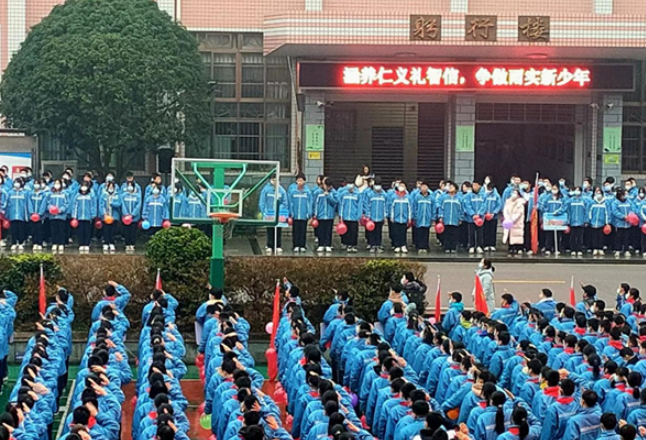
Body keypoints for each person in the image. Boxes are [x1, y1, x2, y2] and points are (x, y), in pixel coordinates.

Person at [259, 176, 288, 254]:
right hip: (269, 213)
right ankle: (269, 245)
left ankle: (278, 245)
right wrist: (264, 212)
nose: (275, 182)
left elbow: (285, 202)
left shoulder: (282, 191)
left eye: (276, 180)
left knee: (278, 229)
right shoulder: (266, 190)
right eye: (273, 180)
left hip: (279, 214)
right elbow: (262, 201)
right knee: (270, 229)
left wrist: (280, 210)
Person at [288, 173, 311, 253]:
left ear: (304, 181)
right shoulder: (293, 191)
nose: (299, 182)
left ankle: (302, 245)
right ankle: (295, 245)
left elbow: (309, 203)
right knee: (295, 230)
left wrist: (309, 213)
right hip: (295, 215)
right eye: (298, 180)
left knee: (303, 230)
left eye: (301, 180)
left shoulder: (307, 191)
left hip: (304, 215)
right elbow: (291, 203)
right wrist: (291, 213)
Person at [72, 182, 98, 253]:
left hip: (88, 216)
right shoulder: (77, 196)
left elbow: (93, 205)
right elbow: (75, 206)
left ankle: (86, 244)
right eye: (82, 186)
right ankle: (81, 243)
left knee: (87, 231)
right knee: (80, 231)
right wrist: (74, 216)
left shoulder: (91, 195)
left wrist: (93, 214)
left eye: (85, 186)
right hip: (79, 217)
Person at [313, 178, 337, 253]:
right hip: (321, 215)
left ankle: (328, 245)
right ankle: (321, 244)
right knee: (321, 230)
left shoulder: (333, 192)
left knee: (328, 230)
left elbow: (335, 202)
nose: (328, 187)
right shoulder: (318, 192)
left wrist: (328, 196)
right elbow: (315, 204)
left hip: (329, 215)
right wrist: (315, 214)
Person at [437, 181, 462, 253]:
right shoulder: (444, 197)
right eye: (449, 187)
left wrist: (460, 218)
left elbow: (461, 209)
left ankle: (453, 247)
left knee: (454, 233)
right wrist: (441, 216)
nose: (450, 188)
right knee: (446, 233)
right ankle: (447, 247)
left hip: (455, 219)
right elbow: (441, 208)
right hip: (446, 219)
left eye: (452, 187)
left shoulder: (459, 198)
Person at [6, 178, 29, 251]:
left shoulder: (25, 193)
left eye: (18, 182)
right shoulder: (10, 193)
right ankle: (14, 242)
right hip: (12, 214)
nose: (16, 184)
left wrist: (26, 215)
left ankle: (21, 242)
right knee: (13, 229)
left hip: (21, 214)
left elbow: (26, 204)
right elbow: (8, 204)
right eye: (15, 182)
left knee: (21, 229)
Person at [46, 179, 69, 253]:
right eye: (55, 183)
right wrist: (51, 209)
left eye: (58, 183)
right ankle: (54, 243)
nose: (57, 185)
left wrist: (60, 210)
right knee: (53, 230)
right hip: (52, 216)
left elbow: (66, 204)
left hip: (61, 216)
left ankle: (61, 243)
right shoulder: (50, 194)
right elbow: (48, 203)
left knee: (61, 230)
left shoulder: (64, 193)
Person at [411, 182, 434, 254]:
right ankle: (419, 246)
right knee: (419, 232)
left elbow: (433, 208)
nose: (424, 188)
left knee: (426, 233)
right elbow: (414, 207)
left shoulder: (431, 198)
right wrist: (414, 216)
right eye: (422, 187)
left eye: (425, 187)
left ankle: (425, 246)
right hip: (419, 218)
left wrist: (433, 217)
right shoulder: (417, 197)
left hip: (427, 218)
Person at [99, 182, 122, 253]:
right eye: (110, 187)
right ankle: (106, 243)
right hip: (106, 216)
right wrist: (104, 214)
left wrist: (113, 204)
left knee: (113, 230)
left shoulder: (117, 195)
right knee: (106, 230)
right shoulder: (103, 195)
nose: (111, 188)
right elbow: (101, 205)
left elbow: (119, 204)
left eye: (112, 187)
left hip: (114, 216)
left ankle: (112, 243)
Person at [338, 182, 361, 252]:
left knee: (353, 232)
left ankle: (353, 245)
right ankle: (345, 243)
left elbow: (359, 206)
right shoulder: (343, 194)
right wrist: (341, 215)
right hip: (345, 216)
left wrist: (358, 216)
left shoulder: (358, 194)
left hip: (354, 217)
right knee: (345, 231)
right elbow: (341, 205)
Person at [503, 188, 526, 256]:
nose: (514, 194)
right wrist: (507, 218)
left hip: (517, 222)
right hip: (508, 221)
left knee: (517, 235)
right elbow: (505, 210)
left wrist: (512, 220)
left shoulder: (520, 203)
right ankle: (510, 248)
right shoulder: (508, 202)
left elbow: (519, 213)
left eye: (515, 193)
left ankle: (518, 248)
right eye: (513, 193)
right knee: (509, 235)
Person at [612, 189, 635, 258]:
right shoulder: (615, 203)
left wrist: (630, 216)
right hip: (619, 223)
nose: (624, 196)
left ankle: (626, 250)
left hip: (628, 223)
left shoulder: (628, 202)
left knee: (627, 237)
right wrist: (623, 216)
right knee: (618, 237)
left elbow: (632, 209)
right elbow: (615, 212)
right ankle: (618, 250)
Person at [390, 182, 411, 253]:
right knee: (396, 232)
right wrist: (392, 216)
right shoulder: (394, 196)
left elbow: (409, 208)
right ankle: (397, 245)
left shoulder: (408, 197)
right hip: (396, 218)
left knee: (403, 232)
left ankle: (403, 245)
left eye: (403, 186)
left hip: (404, 218)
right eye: (400, 186)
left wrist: (409, 217)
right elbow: (392, 208)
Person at [589, 187, 610, 256]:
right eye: (597, 193)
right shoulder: (592, 202)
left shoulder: (605, 203)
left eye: (600, 193)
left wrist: (607, 223)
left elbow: (607, 213)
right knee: (594, 236)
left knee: (601, 236)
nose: (598, 194)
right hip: (593, 223)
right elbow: (589, 212)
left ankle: (600, 248)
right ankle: (595, 248)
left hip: (602, 223)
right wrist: (590, 220)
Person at [121, 181, 142, 253]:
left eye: (131, 185)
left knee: (133, 231)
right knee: (126, 231)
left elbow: (138, 206)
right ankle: (127, 244)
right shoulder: (123, 195)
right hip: (125, 218)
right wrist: (126, 214)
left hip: (134, 218)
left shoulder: (137, 196)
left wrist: (132, 215)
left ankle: (132, 244)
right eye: (128, 185)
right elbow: (123, 205)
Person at [567, 186, 588, 257]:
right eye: (575, 190)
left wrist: (586, 220)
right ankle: (573, 249)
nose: (577, 191)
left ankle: (579, 249)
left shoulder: (583, 200)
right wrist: (568, 220)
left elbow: (586, 211)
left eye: (578, 190)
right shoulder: (570, 200)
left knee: (580, 237)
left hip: (581, 221)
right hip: (572, 221)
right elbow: (568, 211)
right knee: (572, 236)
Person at [28, 179, 48, 251]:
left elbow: (44, 204)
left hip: (40, 217)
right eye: (35, 183)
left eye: (38, 183)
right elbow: (29, 203)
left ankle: (39, 243)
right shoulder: (30, 194)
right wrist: (32, 212)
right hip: (32, 216)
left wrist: (40, 213)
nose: (36, 185)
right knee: (33, 229)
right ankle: (34, 243)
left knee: (39, 229)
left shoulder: (43, 195)